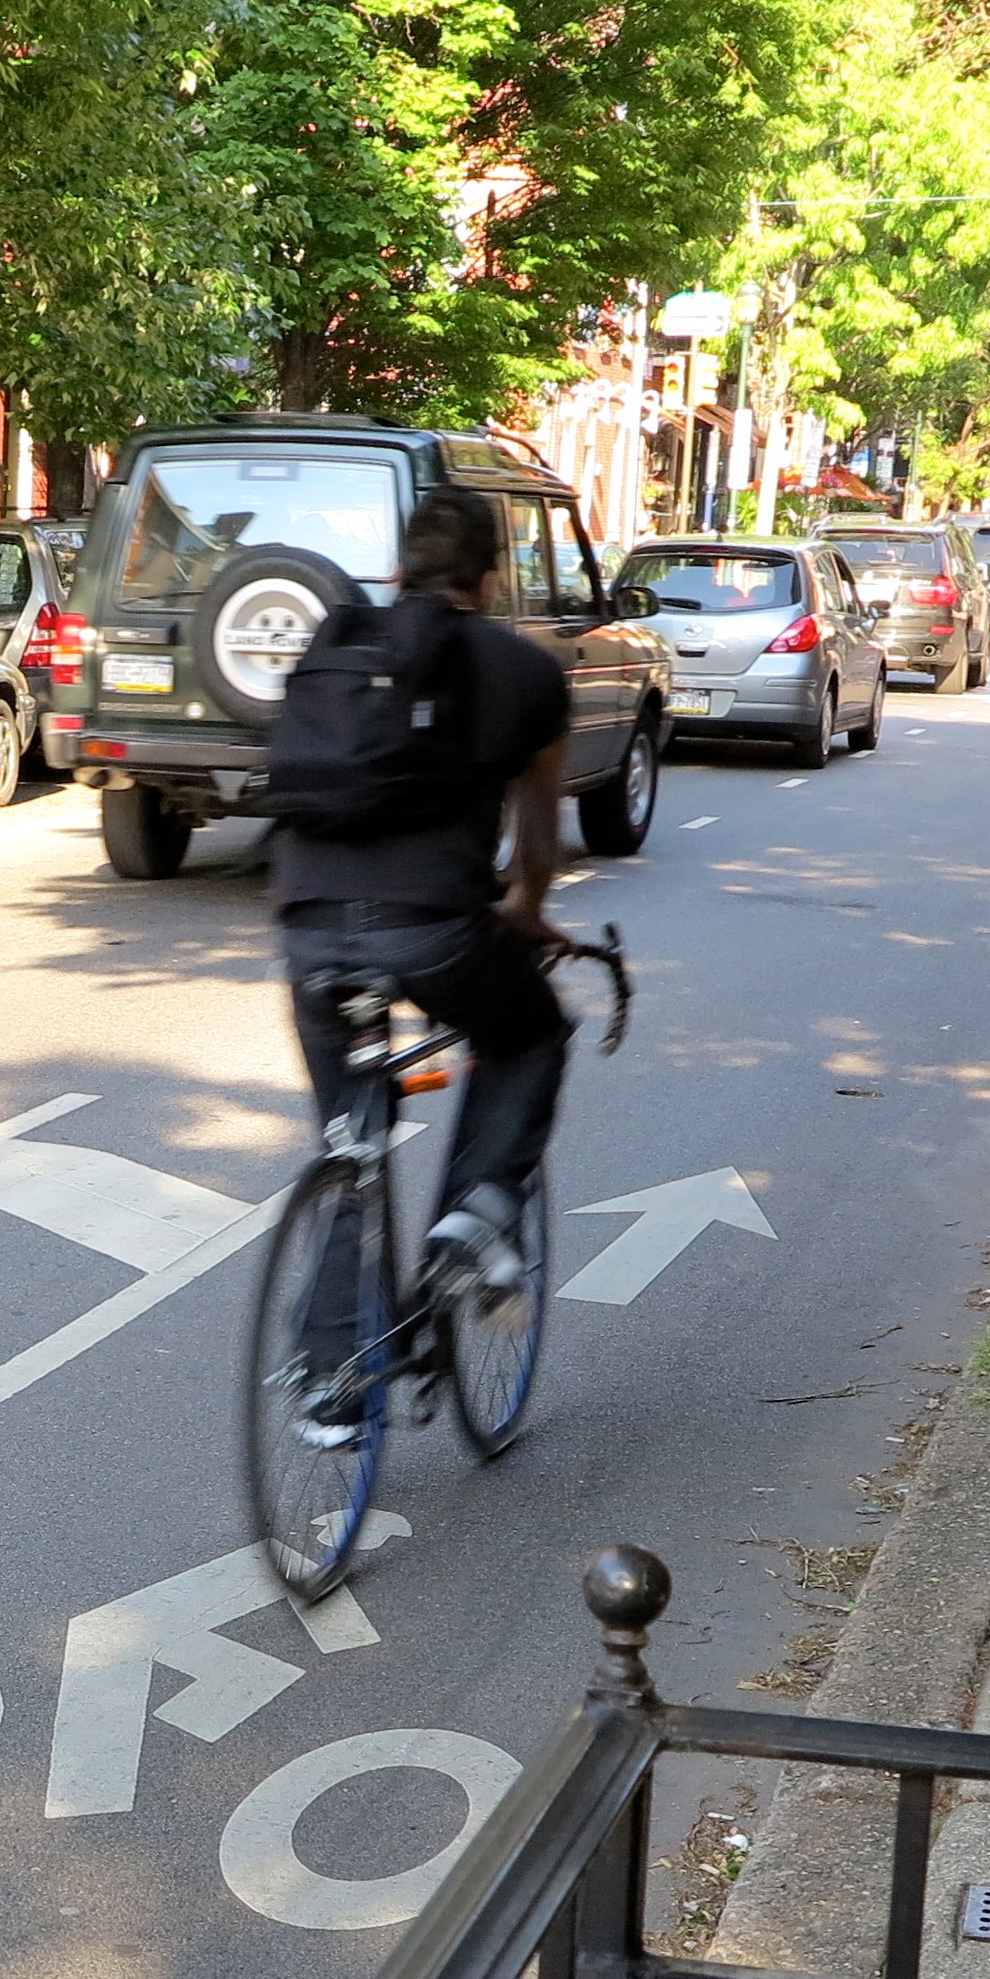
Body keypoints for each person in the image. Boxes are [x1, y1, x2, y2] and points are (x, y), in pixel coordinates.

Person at [276, 488, 576, 1440]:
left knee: (347, 1137)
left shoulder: (337, 646)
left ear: (398, 574)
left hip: (309, 926)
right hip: (435, 930)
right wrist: (527, 914)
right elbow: (538, 846)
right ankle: (477, 1211)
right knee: (532, 1035)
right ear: (490, 582)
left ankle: (332, 1385)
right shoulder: (529, 673)